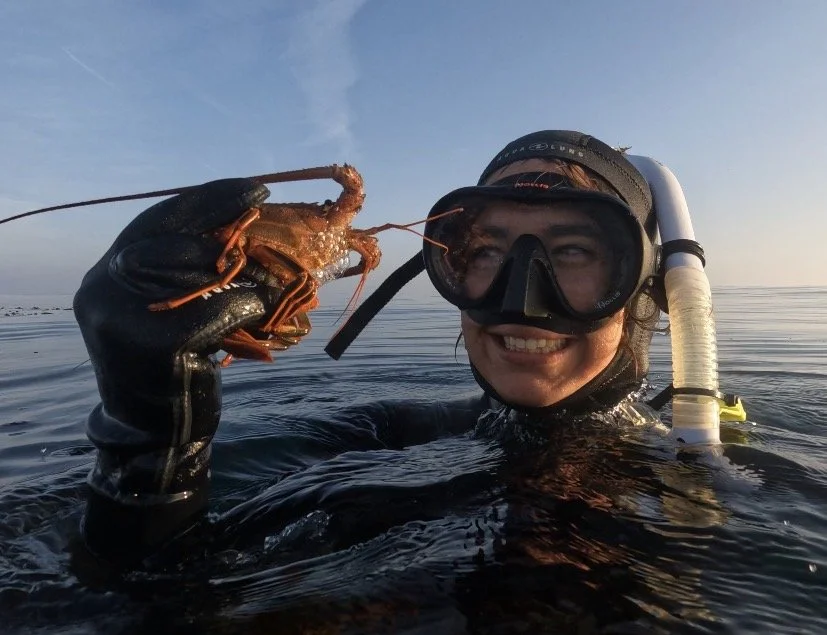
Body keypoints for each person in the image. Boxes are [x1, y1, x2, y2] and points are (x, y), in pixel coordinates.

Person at [73, 130, 663, 567]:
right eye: (484, 252)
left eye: (575, 252)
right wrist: (149, 451)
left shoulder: (705, 472)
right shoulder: (380, 436)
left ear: (642, 288)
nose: (521, 299)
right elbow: (152, 589)